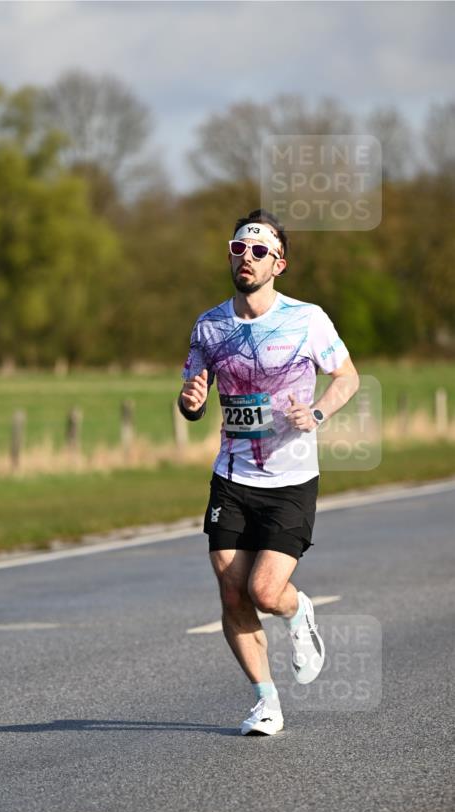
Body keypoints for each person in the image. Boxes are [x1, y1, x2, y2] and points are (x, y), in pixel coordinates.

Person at [179, 209, 359, 735]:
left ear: (279, 263)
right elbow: (193, 396)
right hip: (231, 477)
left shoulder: (307, 319)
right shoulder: (209, 325)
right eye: (239, 249)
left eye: (259, 252)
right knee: (230, 591)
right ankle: (265, 701)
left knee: (263, 591)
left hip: (290, 480)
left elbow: (346, 377)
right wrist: (191, 401)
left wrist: (318, 412)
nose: (247, 259)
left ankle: (298, 609)